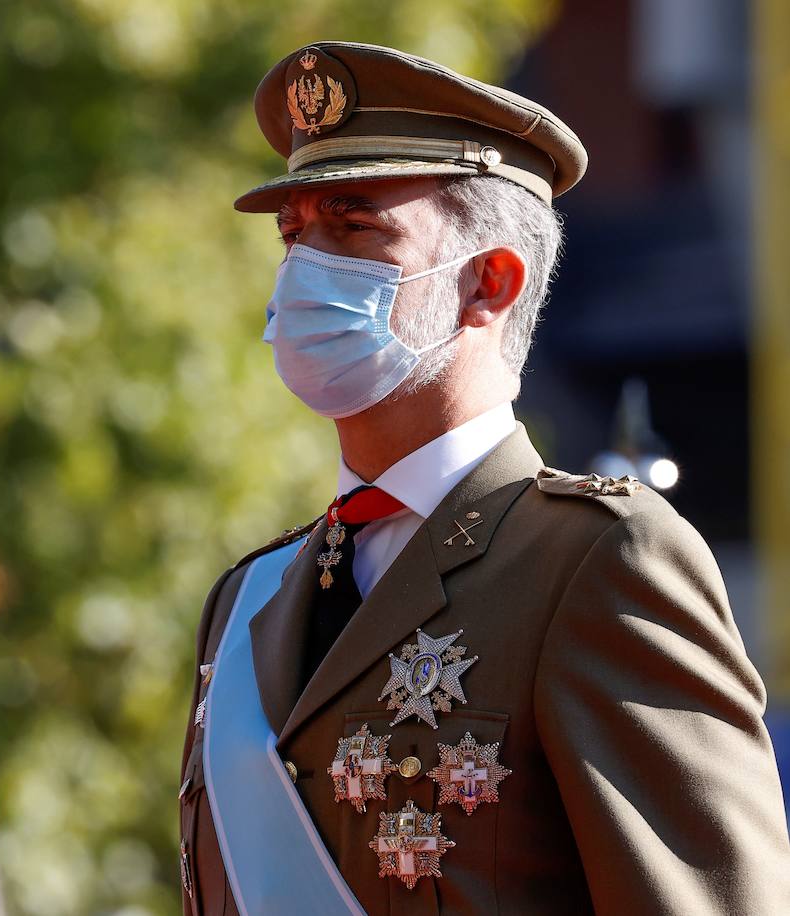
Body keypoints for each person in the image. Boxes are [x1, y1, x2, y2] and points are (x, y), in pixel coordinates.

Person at [178, 41, 790, 915]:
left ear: (488, 283)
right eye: (294, 233)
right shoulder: (250, 598)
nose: (304, 269)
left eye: (354, 227)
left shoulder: (600, 563)